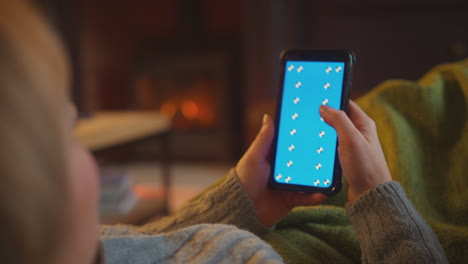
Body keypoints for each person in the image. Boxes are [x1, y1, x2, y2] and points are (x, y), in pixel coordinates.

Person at [0, 0, 448, 263]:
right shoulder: (238, 255)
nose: (92, 156)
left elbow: (146, 247)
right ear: (34, 201)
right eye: (71, 133)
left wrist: (244, 201)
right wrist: (378, 195)